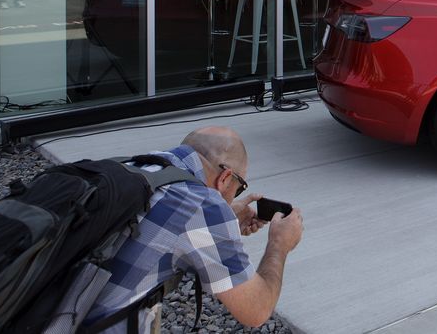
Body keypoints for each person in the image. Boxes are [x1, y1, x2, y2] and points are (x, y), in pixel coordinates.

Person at [85, 126, 305, 332]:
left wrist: (224, 223)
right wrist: (279, 244)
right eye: (238, 190)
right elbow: (255, 309)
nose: (231, 200)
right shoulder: (201, 205)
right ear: (226, 177)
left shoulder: (137, 166)